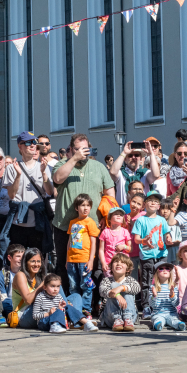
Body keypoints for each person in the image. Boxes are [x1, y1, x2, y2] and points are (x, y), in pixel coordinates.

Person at [52, 134, 114, 286]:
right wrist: (74, 159)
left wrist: (106, 217)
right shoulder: (62, 164)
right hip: (65, 227)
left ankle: (90, 305)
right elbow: (57, 179)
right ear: (72, 149)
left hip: (92, 228)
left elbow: (110, 194)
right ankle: (66, 304)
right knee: (65, 266)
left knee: (92, 267)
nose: (82, 152)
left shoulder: (99, 167)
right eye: (78, 149)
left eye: (85, 149)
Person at [2, 132, 54, 254]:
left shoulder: (43, 166)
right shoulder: (11, 168)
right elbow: (11, 195)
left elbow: (50, 192)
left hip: (38, 222)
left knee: (36, 259)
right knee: (18, 259)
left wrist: (43, 173)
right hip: (18, 222)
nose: (33, 145)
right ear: (20, 146)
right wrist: (18, 175)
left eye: (34, 143)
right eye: (28, 143)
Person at [132, 191, 170, 314]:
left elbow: (166, 233)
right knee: (147, 282)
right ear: (144, 205)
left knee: (162, 280)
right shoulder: (140, 220)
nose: (153, 203)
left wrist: (168, 238)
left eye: (156, 201)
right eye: (150, 200)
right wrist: (144, 240)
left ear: (159, 206)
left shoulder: (162, 220)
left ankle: (161, 304)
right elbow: (136, 239)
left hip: (161, 255)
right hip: (147, 255)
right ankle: (146, 306)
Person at [65, 194, 99, 314]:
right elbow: (69, 242)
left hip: (84, 260)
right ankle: (75, 308)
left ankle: (86, 309)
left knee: (86, 285)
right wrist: (67, 260)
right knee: (73, 286)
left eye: (88, 205)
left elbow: (94, 243)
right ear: (76, 208)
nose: (85, 208)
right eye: (82, 205)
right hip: (71, 260)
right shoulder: (73, 222)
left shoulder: (90, 222)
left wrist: (91, 260)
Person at [31, 274, 98, 333]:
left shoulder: (59, 296)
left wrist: (61, 308)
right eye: (52, 286)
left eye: (58, 286)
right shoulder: (40, 297)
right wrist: (48, 313)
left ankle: (86, 323)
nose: (55, 289)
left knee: (68, 307)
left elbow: (61, 311)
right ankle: (55, 326)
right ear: (45, 287)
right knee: (57, 312)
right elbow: (35, 316)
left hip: (59, 319)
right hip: (44, 322)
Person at [109, 140, 161, 206]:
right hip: (123, 212)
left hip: (142, 213)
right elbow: (112, 172)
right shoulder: (121, 173)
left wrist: (151, 154)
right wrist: (124, 153)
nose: (133, 157)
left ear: (141, 158)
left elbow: (156, 175)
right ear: (125, 159)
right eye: (130, 155)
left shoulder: (145, 173)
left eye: (136, 155)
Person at [98, 253, 140, 331]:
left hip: (130, 317)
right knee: (113, 285)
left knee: (127, 288)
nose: (118, 264)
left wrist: (122, 287)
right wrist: (117, 295)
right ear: (111, 267)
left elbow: (137, 288)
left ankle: (127, 319)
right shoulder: (106, 280)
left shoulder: (130, 280)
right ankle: (117, 319)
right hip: (110, 317)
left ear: (128, 269)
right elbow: (102, 291)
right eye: (116, 261)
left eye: (122, 262)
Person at [149, 261, 185, 331]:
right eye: (161, 268)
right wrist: (154, 296)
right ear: (156, 273)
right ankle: (158, 325)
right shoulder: (153, 287)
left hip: (171, 313)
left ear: (170, 272)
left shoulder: (173, 287)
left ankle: (179, 325)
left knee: (173, 320)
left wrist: (172, 296)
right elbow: (152, 305)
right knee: (158, 319)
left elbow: (176, 304)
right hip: (157, 313)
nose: (164, 270)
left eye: (167, 268)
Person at [98, 206, 132, 277]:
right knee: (110, 285)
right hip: (109, 265)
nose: (119, 215)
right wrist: (103, 263)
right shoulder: (105, 232)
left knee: (121, 284)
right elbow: (101, 250)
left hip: (123, 264)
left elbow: (130, 249)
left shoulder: (125, 232)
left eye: (121, 214)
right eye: (116, 214)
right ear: (109, 219)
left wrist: (124, 246)